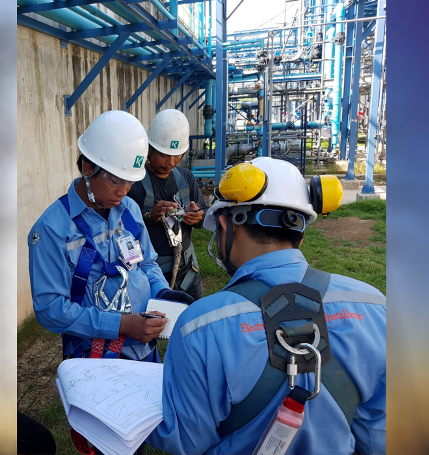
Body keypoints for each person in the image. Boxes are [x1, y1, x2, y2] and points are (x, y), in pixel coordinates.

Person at [146, 157, 386, 455]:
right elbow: (380, 434)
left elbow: (186, 440)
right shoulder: (375, 306)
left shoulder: (200, 326)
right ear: (300, 231)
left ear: (226, 225)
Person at [28, 110, 193, 363]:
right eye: (116, 181)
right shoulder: (52, 229)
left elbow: (146, 263)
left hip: (144, 350)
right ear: (88, 168)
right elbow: (50, 309)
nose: (123, 191)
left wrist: (162, 293)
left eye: (130, 182)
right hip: (95, 359)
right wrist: (121, 325)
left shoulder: (130, 211)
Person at [127, 109, 209, 301]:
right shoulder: (133, 183)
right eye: (164, 154)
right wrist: (150, 217)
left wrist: (198, 217)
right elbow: (121, 231)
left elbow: (204, 214)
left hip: (188, 271)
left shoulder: (185, 177)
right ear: (149, 147)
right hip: (151, 275)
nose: (170, 162)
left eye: (177, 155)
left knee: (194, 316)